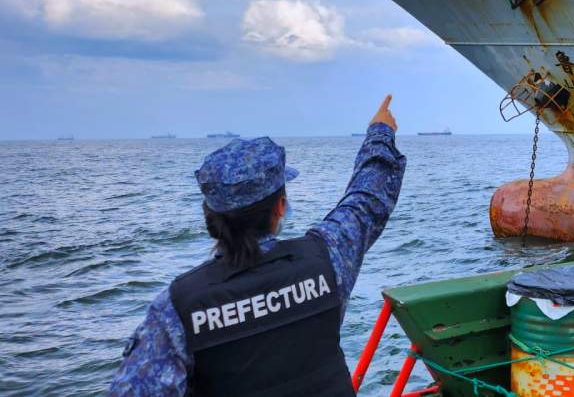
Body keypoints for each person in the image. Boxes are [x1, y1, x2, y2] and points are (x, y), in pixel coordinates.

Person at [109, 95, 405, 396]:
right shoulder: (328, 257)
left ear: (210, 216)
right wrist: (380, 131)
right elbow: (366, 199)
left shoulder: (177, 310)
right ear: (280, 207)